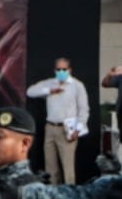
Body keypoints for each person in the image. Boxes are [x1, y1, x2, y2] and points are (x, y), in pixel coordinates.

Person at [27, 57, 90, 185]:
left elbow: (84, 109)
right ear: (54, 70)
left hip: (67, 129)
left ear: (70, 70)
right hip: (50, 127)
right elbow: (30, 92)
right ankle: (53, 196)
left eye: (64, 69)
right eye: (58, 69)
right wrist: (49, 90)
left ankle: (69, 197)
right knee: (50, 167)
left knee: (68, 168)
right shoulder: (50, 83)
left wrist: (78, 128)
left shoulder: (77, 85)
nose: (61, 71)